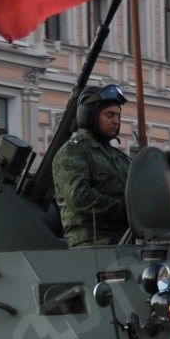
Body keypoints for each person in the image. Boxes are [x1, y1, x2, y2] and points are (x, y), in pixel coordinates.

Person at [54, 83, 132, 248]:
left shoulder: (120, 158)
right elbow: (79, 197)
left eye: (118, 116)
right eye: (109, 115)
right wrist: (123, 209)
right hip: (91, 247)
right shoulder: (73, 152)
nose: (116, 121)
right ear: (90, 115)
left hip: (124, 243)